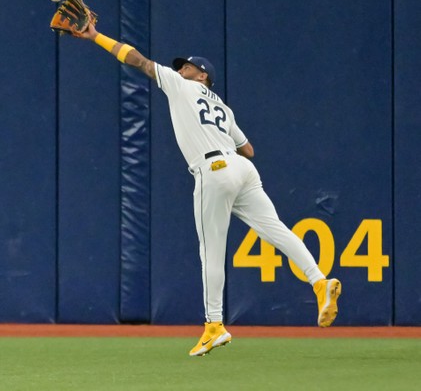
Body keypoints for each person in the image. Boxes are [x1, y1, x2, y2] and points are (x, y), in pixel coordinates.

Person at [74, 24, 342, 356]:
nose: (178, 70)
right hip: (243, 169)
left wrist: (94, 35)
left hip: (213, 169)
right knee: (278, 231)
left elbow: (137, 60)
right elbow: (249, 150)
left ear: (201, 75)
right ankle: (318, 282)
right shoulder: (224, 108)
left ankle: (213, 326)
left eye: (185, 67)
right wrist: (223, 136)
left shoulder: (181, 86)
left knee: (210, 251)